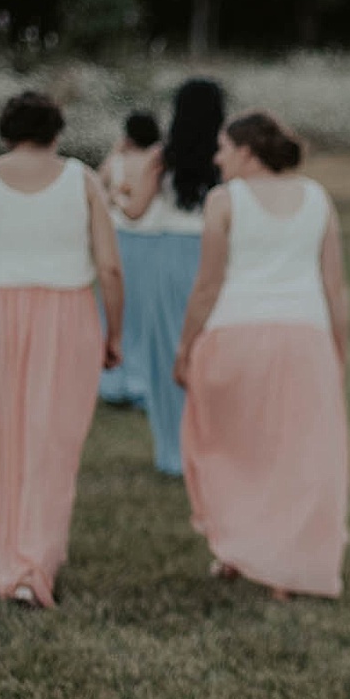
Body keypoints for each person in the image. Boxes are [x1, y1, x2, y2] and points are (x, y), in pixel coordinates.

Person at [0, 90, 123, 608]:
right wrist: (113, 335)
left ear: (6, 130)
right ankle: (30, 562)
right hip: (66, 314)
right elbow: (109, 267)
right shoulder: (82, 180)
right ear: (56, 132)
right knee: (50, 442)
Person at [172, 112, 350, 601]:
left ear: (247, 152)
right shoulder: (317, 198)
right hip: (305, 337)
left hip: (236, 335)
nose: (217, 157)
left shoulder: (224, 201)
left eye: (223, 147)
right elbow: (335, 289)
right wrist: (337, 350)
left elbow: (207, 285)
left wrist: (185, 346)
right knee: (295, 453)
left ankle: (243, 549)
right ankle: (275, 563)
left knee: (232, 448)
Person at [116, 82, 224, 476]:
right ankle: (213, 444)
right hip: (215, 257)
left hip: (169, 258)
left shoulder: (163, 158)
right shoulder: (228, 158)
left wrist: (118, 193)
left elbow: (135, 212)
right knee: (211, 352)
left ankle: (173, 452)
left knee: (168, 351)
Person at [95, 112, 161, 407]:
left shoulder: (117, 163)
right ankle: (141, 381)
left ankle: (113, 381)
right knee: (146, 313)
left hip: (119, 240)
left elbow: (96, 189)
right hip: (151, 243)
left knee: (116, 312)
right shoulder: (157, 163)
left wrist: (114, 154)